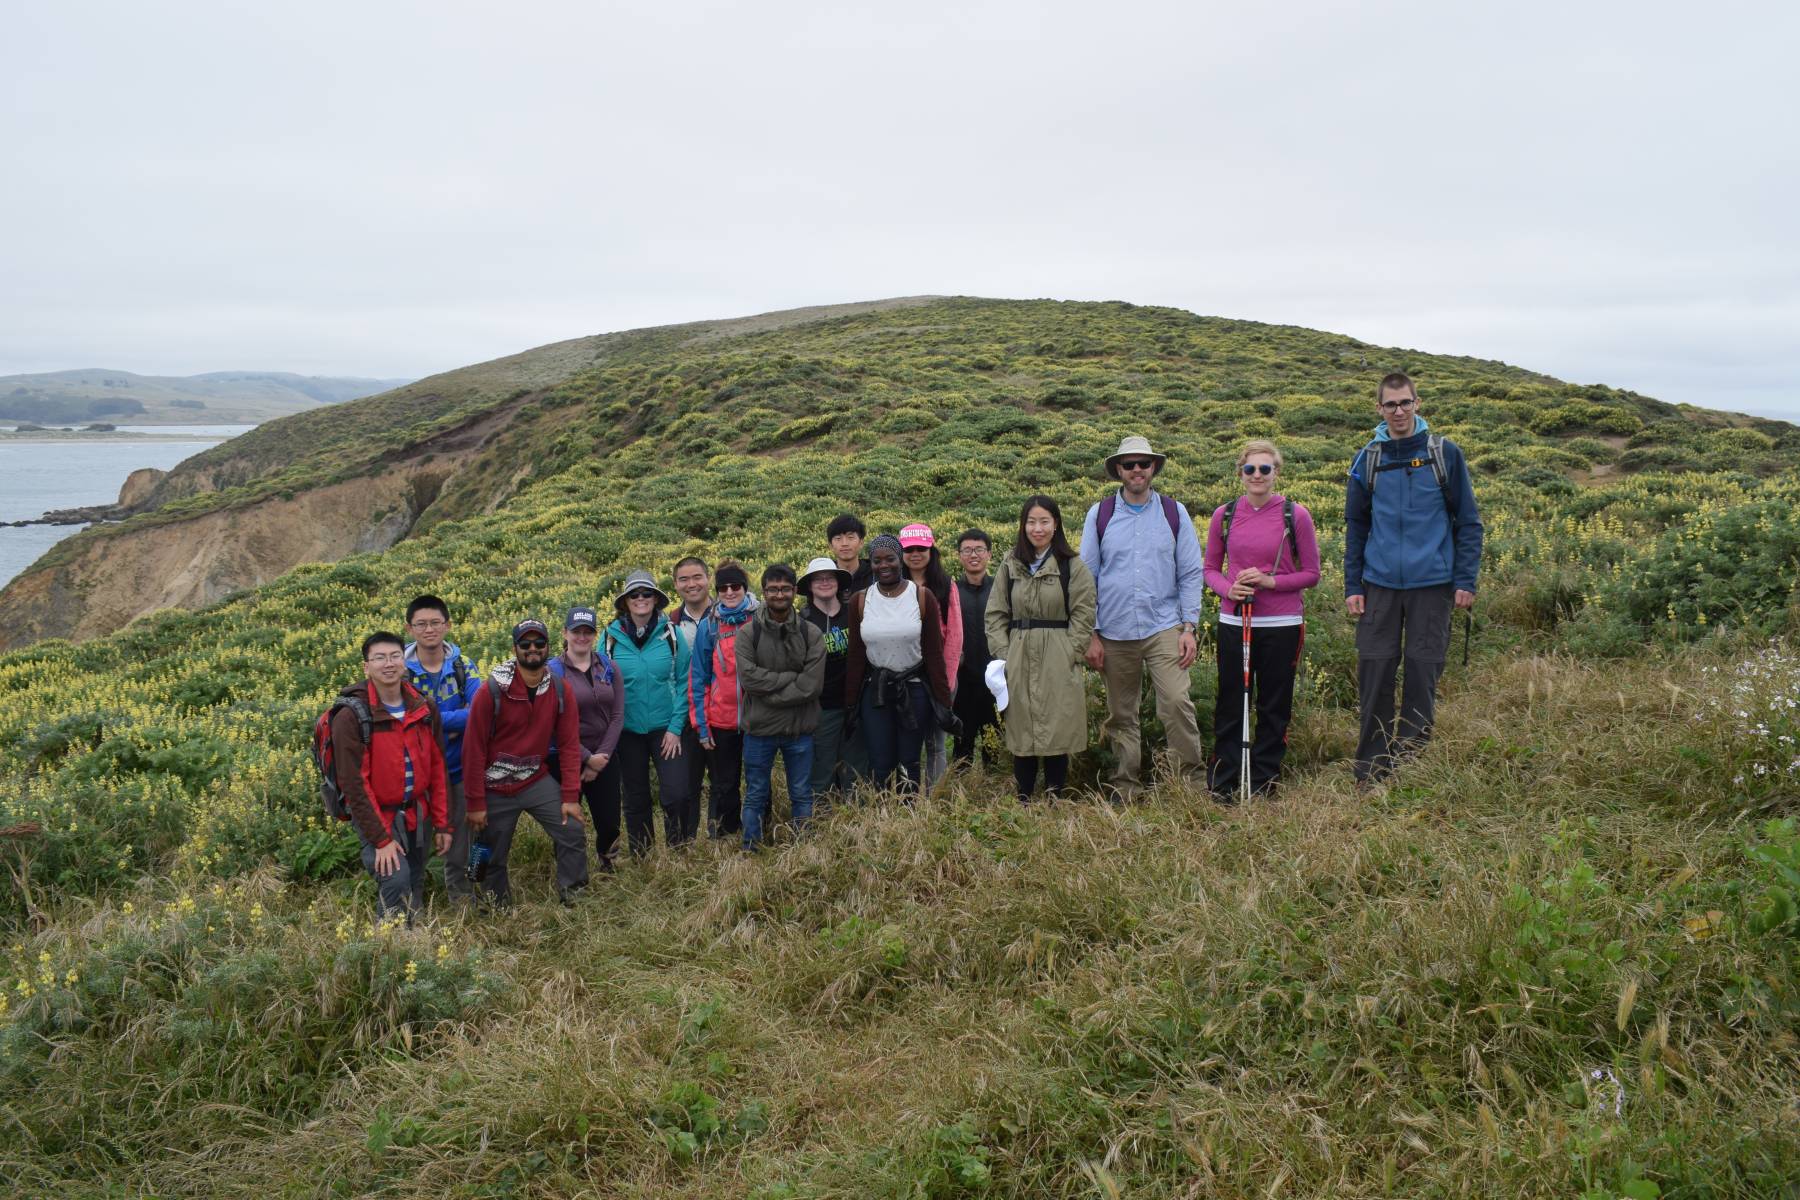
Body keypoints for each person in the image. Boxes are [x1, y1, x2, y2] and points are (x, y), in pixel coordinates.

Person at [1344, 372, 1483, 790]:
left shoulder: (1445, 454)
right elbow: (1356, 526)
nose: (1399, 411)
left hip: (1433, 585)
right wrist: (1353, 585)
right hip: (1380, 585)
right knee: (1376, 672)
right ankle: (1371, 768)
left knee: (1422, 674)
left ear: (1417, 404)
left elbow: (1469, 522)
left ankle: (1411, 765)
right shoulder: (1367, 459)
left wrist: (1465, 579)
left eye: (1405, 403)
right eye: (1391, 405)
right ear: (1379, 409)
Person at [1080, 435, 1208, 801]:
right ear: (1118, 470)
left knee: (1176, 704)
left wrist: (1189, 626)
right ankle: (1126, 786)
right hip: (1114, 630)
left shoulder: (1174, 512)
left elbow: (1189, 572)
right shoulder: (1100, 514)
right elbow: (1088, 577)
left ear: (1154, 468)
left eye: (1144, 464)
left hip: (1164, 625)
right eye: (1129, 464)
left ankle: (1191, 785)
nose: (1137, 470)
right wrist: (1091, 633)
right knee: (1122, 713)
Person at [1203, 441, 1322, 800]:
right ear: (1240, 473)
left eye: (1265, 469)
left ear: (1276, 473)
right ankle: (1224, 783)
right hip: (1235, 621)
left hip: (1281, 624)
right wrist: (1228, 590)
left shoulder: (1295, 515)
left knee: (1273, 704)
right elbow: (1209, 569)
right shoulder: (1223, 515)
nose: (1257, 476)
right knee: (1230, 702)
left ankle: (1263, 783)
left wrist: (1271, 582)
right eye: (1250, 469)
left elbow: (1312, 573)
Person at [462, 620, 588, 907]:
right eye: (525, 644)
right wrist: (475, 803)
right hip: (493, 786)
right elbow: (473, 750)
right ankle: (494, 905)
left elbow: (569, 745)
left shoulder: (559, 689)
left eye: (539, 644)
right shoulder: (491, 691)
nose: (533, 649)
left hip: (533, 779)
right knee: (487, 850)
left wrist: (570, 796)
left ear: (549, 647)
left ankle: (575, 895)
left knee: (572, 830)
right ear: (514, 649)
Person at [331, 632, 452, 921]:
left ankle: (415, 941)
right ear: (366, 666)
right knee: (396, 880)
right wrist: (381, 840)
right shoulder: (351, 716)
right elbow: (354, 786)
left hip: (417, 813)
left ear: (405, 660)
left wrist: (443, 823)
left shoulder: (423, 706)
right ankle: (388, 948)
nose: (389, 663)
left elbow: (437, 768)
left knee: (416, 879)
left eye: (395, 656)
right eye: (379, 658)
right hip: (378, 816)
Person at [985, 499, 1097, 801]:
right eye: (1031, 521)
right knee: (1022, 724)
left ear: (1056, 524)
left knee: (1057, 724)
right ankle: (1023, 796)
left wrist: (1071, 652)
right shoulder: (1010, 564)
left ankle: (1054, 796)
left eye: (1044, 521)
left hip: (1057, 652)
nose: (1038, 528)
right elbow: (995, 614)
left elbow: (1084, 615)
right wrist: (1005, 655)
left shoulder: (1072, 566)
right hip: (1018, 652)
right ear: (1023, 525)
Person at [844, 534, 953, 794]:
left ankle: (908, 815)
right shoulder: (860, 600)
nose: (884, 565)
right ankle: (883, 814)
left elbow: (934, 654)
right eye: (876, 560)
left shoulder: (922, 596)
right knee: (880, 761)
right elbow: (856, 656)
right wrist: (850, 704)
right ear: (870, 564)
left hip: (913, 690)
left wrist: (944, 702)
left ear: (900, 560)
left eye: (890, 559)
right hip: (876, 692)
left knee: (909, 761)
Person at [735, 563, 826, 850]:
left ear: (795, 592)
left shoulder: (811, 633)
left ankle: (803, 850)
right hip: (759, 731)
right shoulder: (748, 634)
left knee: (801, 793)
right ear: (763, 592)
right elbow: (749, 680)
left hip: (800, 730)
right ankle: (751, 849)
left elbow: (812, 686)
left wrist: (770, 692)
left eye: (785, 589)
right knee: (755, 794)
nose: (779, 594)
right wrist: (791, 680)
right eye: (773, 589)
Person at [604, 570, 695, 851]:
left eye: (646, 594)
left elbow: (684, 683)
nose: (641, 599)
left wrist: (675, 728)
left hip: (666, 728)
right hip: (627, 731)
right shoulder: (610, 638)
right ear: (626, 602)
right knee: (635, 797)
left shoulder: (672, 635)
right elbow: (601, 683)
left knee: (677, 793)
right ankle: (642, 856)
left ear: (656, 599)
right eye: (634, 594)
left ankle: (678, 851)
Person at [402, 594, 481, 902]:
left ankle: (463, 904)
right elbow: (402, 720)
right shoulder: (401, 670)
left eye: (435, 622)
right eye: (421, 624)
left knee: (462, 843)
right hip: (418, 774)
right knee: (417, 845)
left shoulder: (463, 666)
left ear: (447, 625)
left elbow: (479, 713)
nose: (429, 629)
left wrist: (432, 718)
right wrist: (454, 720)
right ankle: (411, 910)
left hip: (458, 769)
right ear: (410, 629)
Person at [548, 606, 625, 871]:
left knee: (610, 820)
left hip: (605, 756)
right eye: (576, 631)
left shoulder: (608, 666)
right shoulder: (552, 672)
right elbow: (551, 725)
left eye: (588, 631)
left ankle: (608, 864)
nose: (582, 636)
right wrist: (586, 759)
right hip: (566, 760)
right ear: (565, 633)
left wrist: (600, 758)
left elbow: (617, 715)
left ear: (595, 634)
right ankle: (569, 872)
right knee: (568, 820)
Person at [689, 562, 758, 839]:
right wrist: (702, 726)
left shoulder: (761, 616)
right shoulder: (710, 625)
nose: (729, 592)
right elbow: (699, 677)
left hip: (758, 718)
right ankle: (728, 835)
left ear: (744, 588)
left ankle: (758, 832)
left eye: (735, 586)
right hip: (721, 720)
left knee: (757, 780)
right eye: (723, 588)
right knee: (725, 784)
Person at [899, 523, 962, 788]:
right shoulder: (892, 585)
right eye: (909, 549)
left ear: (931, 550)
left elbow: (955, 635)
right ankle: (907, 794)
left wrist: (944, 682)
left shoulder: (946, 585)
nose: (915, 554)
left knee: (935, 743)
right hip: (904, 676)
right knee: (906, 740)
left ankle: (933, 796)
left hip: (938, 675)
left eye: (921, 548)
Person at [799, 556, 857, 803]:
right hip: (821, 707)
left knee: (855, 769)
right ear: (810, 586)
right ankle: (820, 822)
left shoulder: (853, 614)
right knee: (822, 769)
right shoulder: (802, 621)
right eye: (818, 579)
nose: (825, 582)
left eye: (830, 577)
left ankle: (856, 820)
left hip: (855, 705)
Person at [670, 556, 715, 820]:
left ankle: (720, 835)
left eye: (697, 577)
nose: (691, 584)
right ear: (675, 584)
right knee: (687, 783)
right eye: (684, 579)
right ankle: (685, 843)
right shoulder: (671, 624)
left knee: (723, 780)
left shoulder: (727, 614)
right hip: (686, 716)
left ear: (708, 579)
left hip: (720, 713)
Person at [951, 529, 1000, 764]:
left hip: (996, 680)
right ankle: (961, 794)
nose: (974, 555)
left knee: (995, 746)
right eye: (967, 550)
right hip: (963, 681)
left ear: (989, 554)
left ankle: (995, 794)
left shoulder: (1000, 590)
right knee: (962, 746)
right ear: (959, 555)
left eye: (979, 549)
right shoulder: (951, 592)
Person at [827, 512, 874, 593]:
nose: (844, 543)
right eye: (838, 538)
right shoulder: (825, 576)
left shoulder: (874, 573)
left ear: (861, 542)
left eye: (850, 537)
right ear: (830, 545)